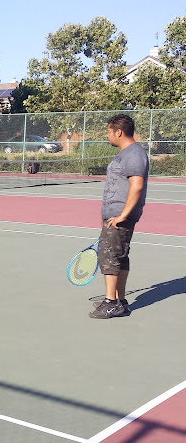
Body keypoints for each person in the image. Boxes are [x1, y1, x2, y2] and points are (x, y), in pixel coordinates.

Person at [89, 114, 149, 319]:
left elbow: (137, 185)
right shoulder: (127, 153)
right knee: (119, 256)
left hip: (120, 215)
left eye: (108, 131)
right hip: (113, 215)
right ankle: (120, 301)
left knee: (110, 257)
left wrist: (123, 214)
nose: (107, 135)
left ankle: (111, 303)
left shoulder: (133, 154)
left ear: (119, 132)